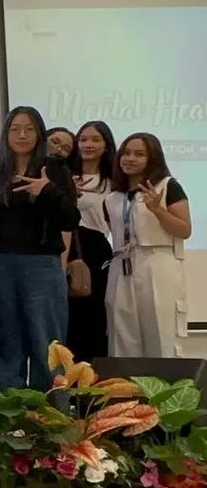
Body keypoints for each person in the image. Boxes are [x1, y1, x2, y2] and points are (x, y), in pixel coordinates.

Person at [0, 107, 79, 390]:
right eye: (15, 129)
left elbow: (71, 220)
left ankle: (49, 407)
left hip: (42, 265)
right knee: (5, 339)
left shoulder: (55, 169)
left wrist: (48, 191)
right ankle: (9, 406)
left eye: (29, 129)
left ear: (39, 133)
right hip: (2, 266)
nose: (22, 135)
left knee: (46, 341)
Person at [105, 133, 192, 358]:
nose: (130, 158)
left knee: (161, 333)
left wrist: (157, 210)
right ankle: (125, 380)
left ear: (152, 159)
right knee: (122, 335)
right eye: (126, 153)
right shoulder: (113, 197)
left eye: (139, 154)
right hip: (121, 264)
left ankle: (166, 381)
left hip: (156, 261)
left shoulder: (167, 186)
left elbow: (184, 230)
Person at [66, 121, 116, 362]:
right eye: (83, 139)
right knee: (68, 316)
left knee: (95, 316)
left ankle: (93, 378)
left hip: (97, 249)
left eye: (96, 139)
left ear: (106, 145)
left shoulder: (114, 180)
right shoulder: (63, 175)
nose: (88, 144)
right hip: (65, 246)